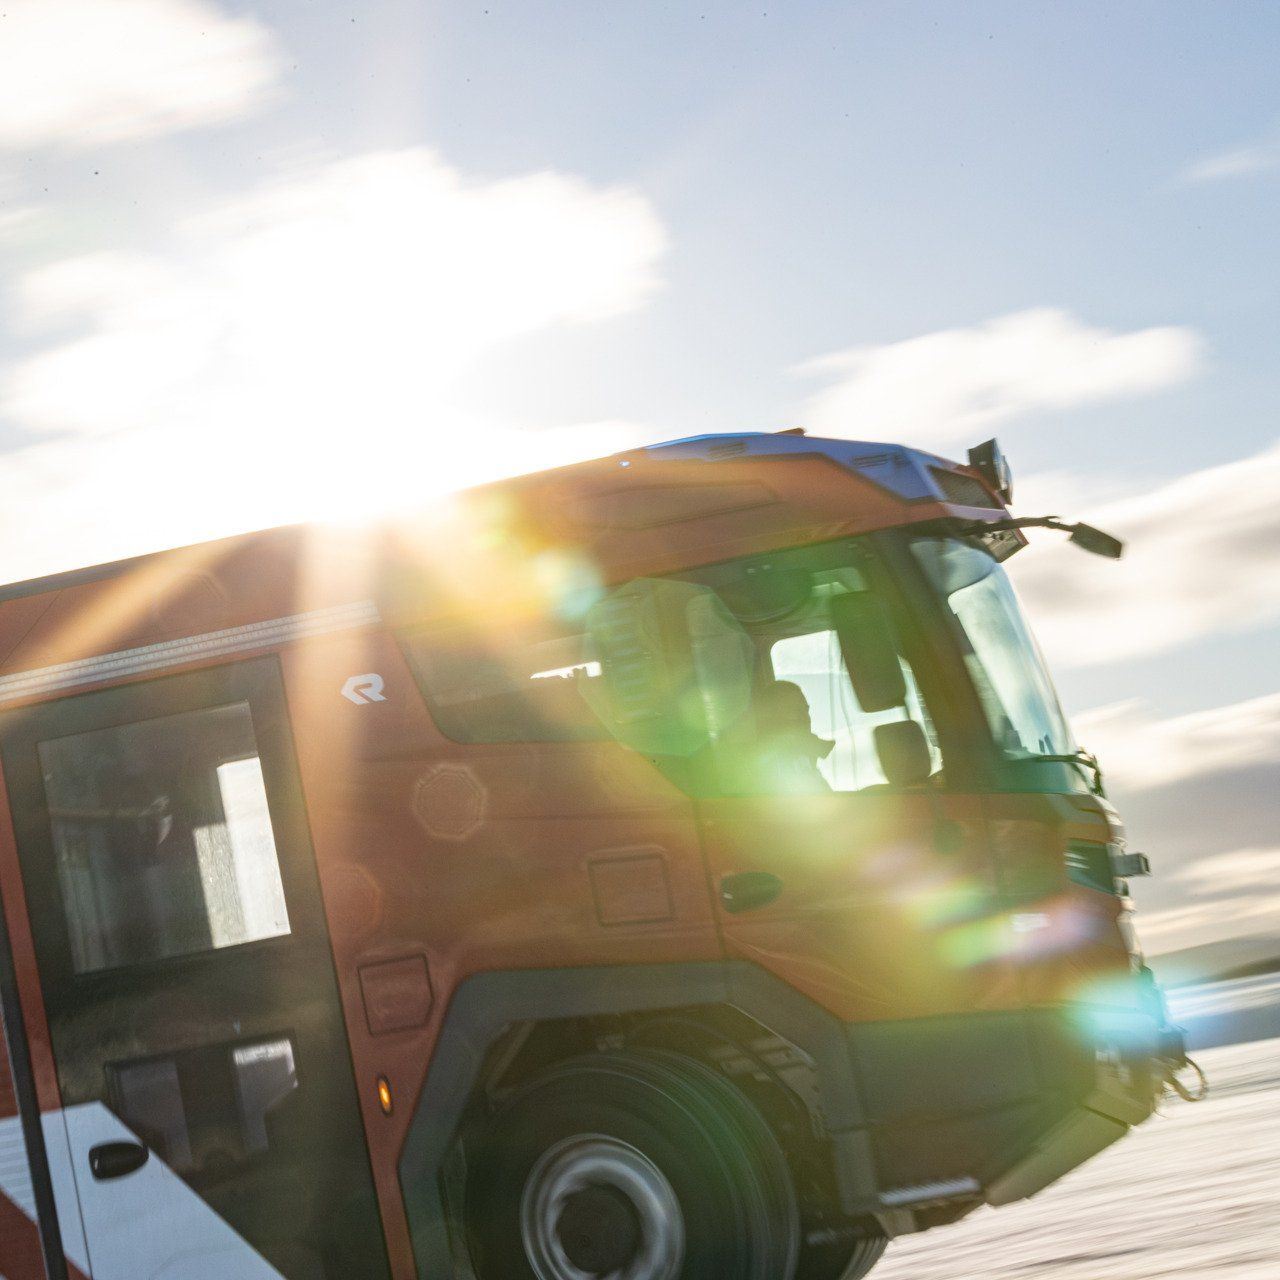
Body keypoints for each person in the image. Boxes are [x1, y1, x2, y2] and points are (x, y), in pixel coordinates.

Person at [753, 680, 835, 793]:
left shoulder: (804, 760)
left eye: (805, 711)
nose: (805, 718)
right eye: (795, 711)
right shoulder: (768, 766)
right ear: (772, 716)